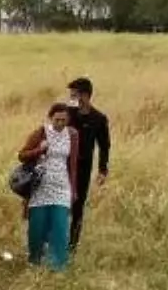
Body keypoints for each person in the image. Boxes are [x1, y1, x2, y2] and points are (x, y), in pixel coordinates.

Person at [18, 102, 79, 271]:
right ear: (50, 118)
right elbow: (22, 155)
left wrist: (73, 189)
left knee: (60, 227)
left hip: (61, 186)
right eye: (57, 120)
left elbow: (72, 164)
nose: (60, 123)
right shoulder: (41, 133)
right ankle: (35, 262)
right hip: (40, 188)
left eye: (63, 120)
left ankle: (58, 267)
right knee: (37, 228)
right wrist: (39, 150)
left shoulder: (72, 135)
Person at [65, 77, 111, 252]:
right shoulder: (67, 114)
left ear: (85, 96)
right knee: (59, 203)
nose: (71, 98)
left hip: (83, 168)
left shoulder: (99, 119)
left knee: (78, 206)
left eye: (74, 95)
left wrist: (102, 169)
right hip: (63, 165)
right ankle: (56, 240)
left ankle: (72, 246)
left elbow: (104, 146)